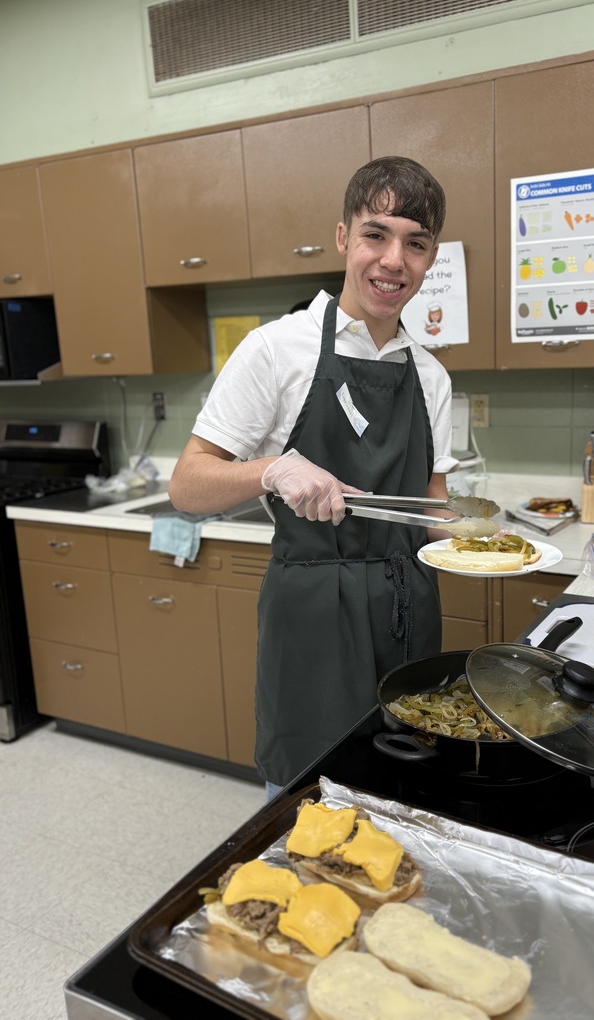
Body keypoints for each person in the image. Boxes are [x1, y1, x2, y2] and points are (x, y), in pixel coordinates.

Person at [169, 156, 457, 795]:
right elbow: (187, 485)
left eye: (415, 244)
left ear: (431, 257)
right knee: (308, 796)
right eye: (375, 235)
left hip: (408, 604)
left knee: (406, 784)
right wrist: (273, 470)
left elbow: (433, 509)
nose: (393, 261)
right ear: (343, 238)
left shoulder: (432, 376)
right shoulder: (277, 349)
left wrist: (482, 544)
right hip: (312, 608)